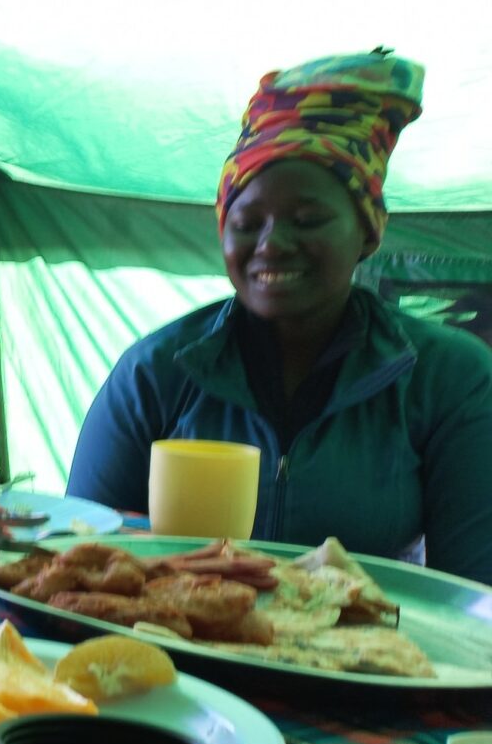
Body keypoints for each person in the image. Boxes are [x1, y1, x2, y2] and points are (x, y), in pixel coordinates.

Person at [66, 49, 492, 586]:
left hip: (367, 640)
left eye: (307, 219)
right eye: (247, 223)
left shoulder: (448, 378)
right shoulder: (157, 371)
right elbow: (77, 558)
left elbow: (475, 597)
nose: (272, 244)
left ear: (368, 231)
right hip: (168, 637)